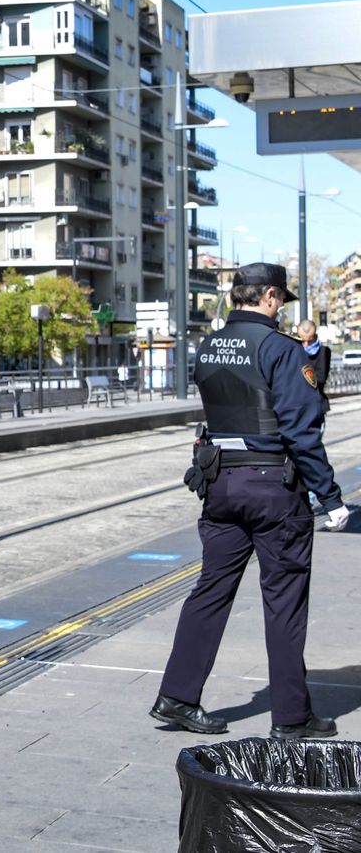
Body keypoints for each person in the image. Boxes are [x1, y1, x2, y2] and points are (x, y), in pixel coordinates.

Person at [152, 263, 350, 740]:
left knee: (210, 589)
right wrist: (330, 496)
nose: (281, 307)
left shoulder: (208, 344)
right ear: (269, 296)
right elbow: (302, 432)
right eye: (281, 299)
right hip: (272, 490)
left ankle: (177, 697)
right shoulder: (281, 350)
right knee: (283, 599)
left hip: (220, 486)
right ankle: (291, 718)